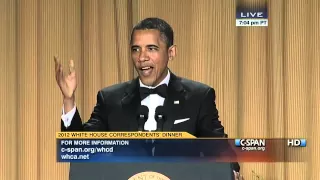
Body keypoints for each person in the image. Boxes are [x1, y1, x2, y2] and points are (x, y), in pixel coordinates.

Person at [54, 17, 242, 179]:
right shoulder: (111, 99)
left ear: (171, 52)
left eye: (151, 48)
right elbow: (81, 149)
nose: (142, 57)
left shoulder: (198, 96)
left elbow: (219, 149)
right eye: (136, 49)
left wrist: (230, 173)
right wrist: (68, 99)